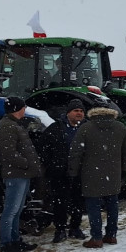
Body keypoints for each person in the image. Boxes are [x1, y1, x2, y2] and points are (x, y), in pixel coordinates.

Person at [68, 105, 126, 248]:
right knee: (112, 204)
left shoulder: (86, 128)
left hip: (91, 173)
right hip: (113, 172)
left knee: (93, 206)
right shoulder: (120, 127)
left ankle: (96, 237)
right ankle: (111, 235)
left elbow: (76, 152)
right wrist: (123, 168)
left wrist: (73, 172)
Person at [0, 97, 41, 252]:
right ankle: (6, 244)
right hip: (16, 174)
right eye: (23, 107)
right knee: (11, 210)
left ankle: (15, 241)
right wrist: (26, 163)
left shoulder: (13, 125)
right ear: (17, 109)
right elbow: (8, 153)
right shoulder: (8, 126)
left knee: (17, 210)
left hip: (22, 173)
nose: (25, 109)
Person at [38, 99, 87, 243]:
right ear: (68, 113)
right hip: (60, 172)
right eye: (76, 111)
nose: (79, 113)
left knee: (78, 201)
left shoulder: (87, 129)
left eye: (81, 111)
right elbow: (43, 147)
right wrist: (51, 164)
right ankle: (60, 230)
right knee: (60, 202)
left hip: (80, 172)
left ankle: (75, 228)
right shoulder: (56, 128)